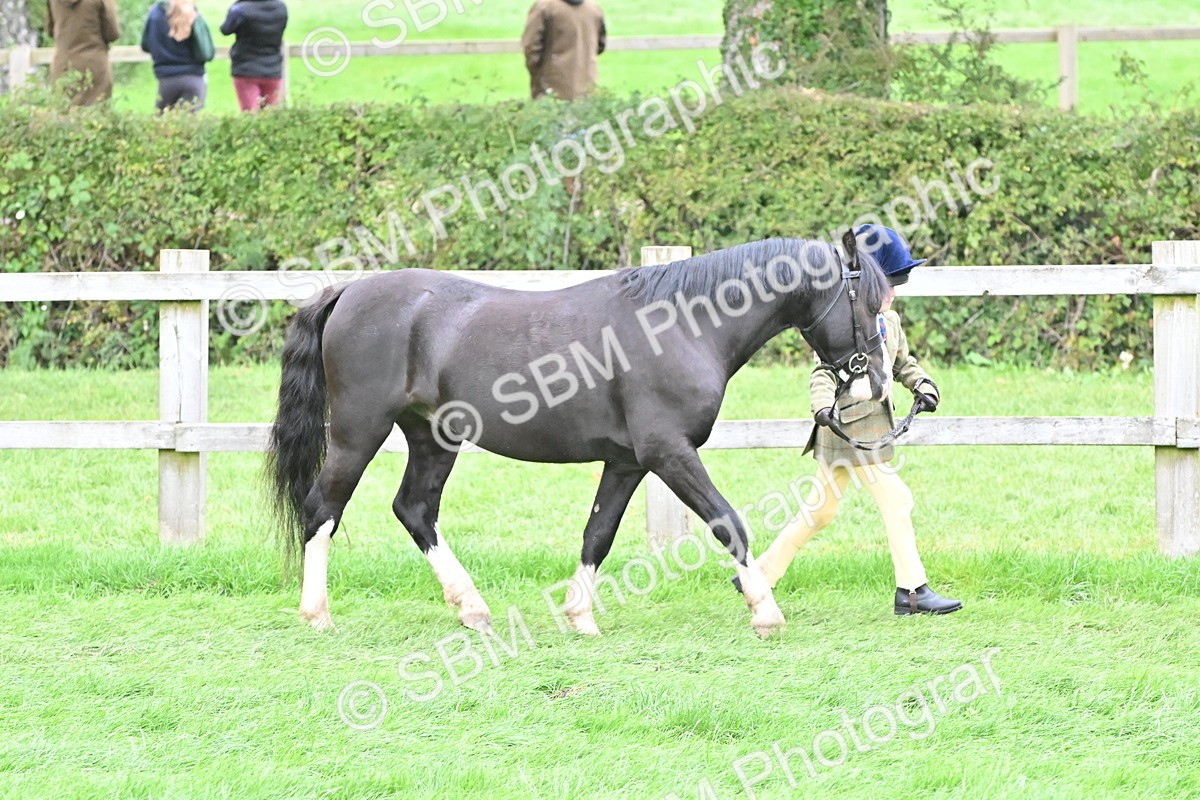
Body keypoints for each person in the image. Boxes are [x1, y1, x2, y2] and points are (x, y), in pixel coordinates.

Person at [738, 224, 963, 615]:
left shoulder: (889, 322)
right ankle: (912, 592)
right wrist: (821, 406)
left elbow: (901, 363)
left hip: (871, 426)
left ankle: (759, 574)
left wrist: (922, 384)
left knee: (820, 511)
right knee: (897, 500)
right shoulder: (841, 324)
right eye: (889, 284)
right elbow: (823, 370)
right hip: (849, 428)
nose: (893, 293)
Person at [520, 0, 605, 101]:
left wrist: (539, 76)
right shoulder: (594, 9)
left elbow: (531, 47)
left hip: (552, 88)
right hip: (588, 87)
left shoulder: (544, 7)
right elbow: (600, 45)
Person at [141, 1, 216, 112]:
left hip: (166, 78)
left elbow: (145, 45)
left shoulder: (155, 14)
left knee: (163, 124)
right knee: (190, 124)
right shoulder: (192, 14)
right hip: (194, 77)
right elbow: (207, 52)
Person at [46, 0, 121, 106]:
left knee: (64, 115)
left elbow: (50, 30)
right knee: (97, 114)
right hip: (94, 65)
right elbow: (112, 33)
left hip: (63, 65)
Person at [220, 0, 288, 112]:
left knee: (250, 114)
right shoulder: (281, 7)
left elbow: (225, 29)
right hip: (273, 67)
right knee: (270, 115)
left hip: (246, 68)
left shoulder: (240, 9)